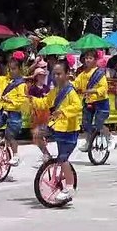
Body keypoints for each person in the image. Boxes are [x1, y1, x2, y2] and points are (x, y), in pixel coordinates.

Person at [29, 60, 82, 202]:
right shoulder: (54, 91)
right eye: (54, 74)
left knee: (63, 158)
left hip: (69, 131)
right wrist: (30, 99)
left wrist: (63, 111)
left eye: (59, 74)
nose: (56, 77)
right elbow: (44, 103)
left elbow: (77, 107)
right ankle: (46, 155)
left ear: (67, 74)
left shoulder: (71, 91)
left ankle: (69, 187)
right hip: (56, 127)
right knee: (37, 133)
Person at [73, 49, 116, 152]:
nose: (87, 60)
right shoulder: (82, 74)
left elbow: (104, 88)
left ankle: (110, 138)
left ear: (95, 60)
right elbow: (76, 84)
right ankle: (89, 142)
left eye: (90, 58)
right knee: (86, 123)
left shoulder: (100, 73)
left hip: (100, 102)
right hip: (88, 102)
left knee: (99, 124)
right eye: (86, 58)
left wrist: (93, 91)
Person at [28, 67, 51, 165]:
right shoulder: (32, 89)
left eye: (43, 75)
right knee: (36, 135)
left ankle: (46, 153)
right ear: (36, 77)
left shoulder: (47, 88)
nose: (42, 77)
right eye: (41, 75)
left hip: (46, 113)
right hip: (36, 113)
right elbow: (30, 100)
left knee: (40, 133)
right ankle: (46, 153)